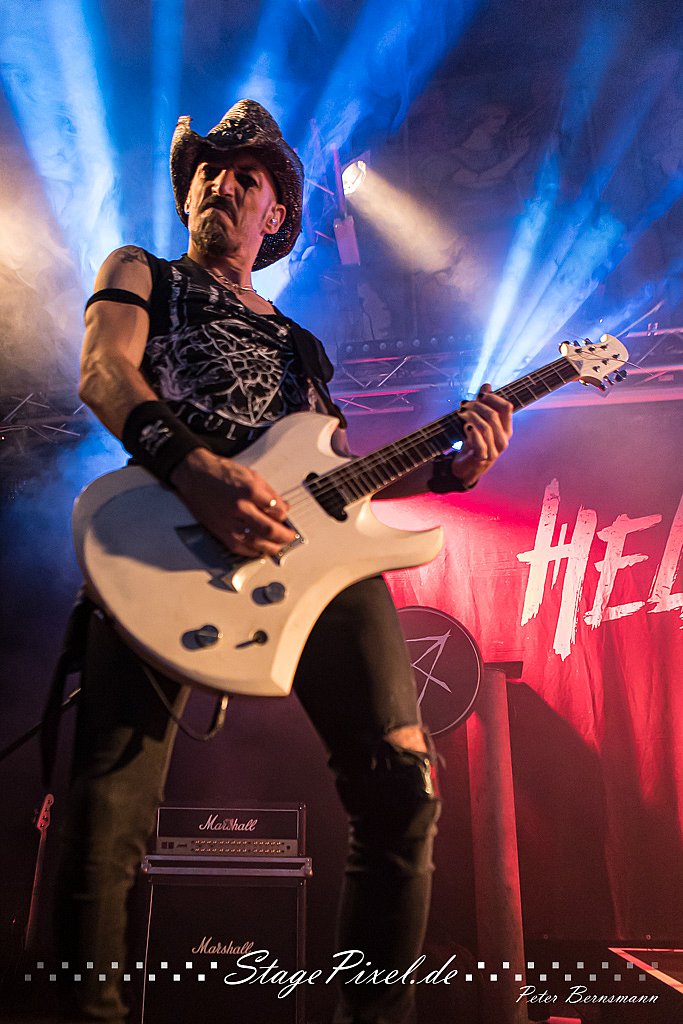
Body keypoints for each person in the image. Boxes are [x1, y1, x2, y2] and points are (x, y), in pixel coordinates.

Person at [54, 100, 513, 1024]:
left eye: (246, 174)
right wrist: (192, 469)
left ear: (276, 216)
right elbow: (105, 372)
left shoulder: (300, 343)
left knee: (402, 789)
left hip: (306, 557)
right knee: (109, 807)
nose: (221, 182)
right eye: (208, 170)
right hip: (165, 525)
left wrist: (452, 468)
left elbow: (338, 479)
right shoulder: (142, 271)